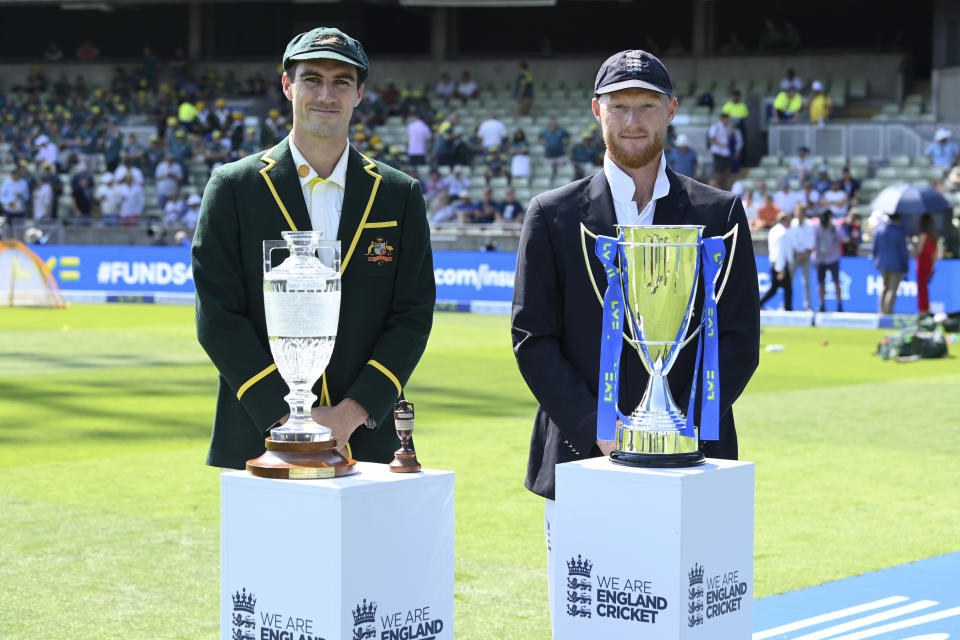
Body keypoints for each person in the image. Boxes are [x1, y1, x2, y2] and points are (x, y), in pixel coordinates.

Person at [511, 49, 759, 624]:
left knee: (689, 622)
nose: (632, 121)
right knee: (594, 620)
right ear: (597, 111)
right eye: (619, 107)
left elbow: (740, 335)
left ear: (670, 110)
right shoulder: (552, 214)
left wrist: (685, 430)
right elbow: (533, 338)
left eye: (646, 106)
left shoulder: (719, 212)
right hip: (583, 456)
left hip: (693, 456)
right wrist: (601, 430)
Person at [192, 26, 436, 470]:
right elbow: (216, 316)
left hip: (364, 438)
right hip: (259, 433)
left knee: (368, 543)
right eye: (311, 79)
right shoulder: (233, 187)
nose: (326, 93)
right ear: (287, 86)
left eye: (341, 81)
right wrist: (291, 419)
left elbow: (413, 316)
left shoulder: (399, 194)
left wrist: (348, 415)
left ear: (360, 93)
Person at [872, 213, 909, 314]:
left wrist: (876, 262)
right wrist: (906, 266)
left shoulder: (879, 230)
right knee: (892, 289)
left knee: (884, 288)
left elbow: (874, 249)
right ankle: (888, 312)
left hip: (882, 264)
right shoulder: (899, 232)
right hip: (896, 265)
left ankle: (881, 311)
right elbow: (903, 251)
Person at [759, 212, 794, 310]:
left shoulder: (773, 230)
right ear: (785, 221)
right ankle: (788, 308)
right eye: (788, 220)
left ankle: (759, 303)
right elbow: (780, 251)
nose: (790, 223)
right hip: (780, 264)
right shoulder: (782, 232)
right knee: (787, 289)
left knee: (775, 288)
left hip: (774, 262)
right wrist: (781, 269)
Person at [813, 211, 847, 312]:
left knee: (837, 281)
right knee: (821, 283)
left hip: (833, 258)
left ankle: (840, 304)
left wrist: (835, 230)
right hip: (820, 259)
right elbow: (813, 243)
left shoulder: (835, 225)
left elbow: (844, 238)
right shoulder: (816, 227)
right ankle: (822, 304)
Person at [790, 203, 816, 310]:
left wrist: (804, 254)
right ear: (795, 212)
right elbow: (791, 241)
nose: (800, 214)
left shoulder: (809, 224)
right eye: (798, 212)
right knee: (789, 281)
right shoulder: (792, 224)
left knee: (806, 282)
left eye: (802, 212)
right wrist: (797, 253)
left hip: (806, 256)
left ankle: (807, 305)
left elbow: (811, 242)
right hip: (795, 255)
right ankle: (787, 304)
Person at [915, 213, 940, 315]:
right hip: (929, 264)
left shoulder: (923, 235)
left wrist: (913, 245)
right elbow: (935, 254)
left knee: (921, 288)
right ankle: (925, 308)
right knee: (925, 288)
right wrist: (932, 266)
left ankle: (923, 310)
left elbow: (919, 251)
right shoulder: (934, 236)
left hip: (922, 263)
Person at [708, 112, 733, 189]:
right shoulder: (715, 127)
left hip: (725, 152)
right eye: (727, 119)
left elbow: (727, 139)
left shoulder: (728, 127)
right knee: (718, 171)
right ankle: (717, 187)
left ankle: (723, 186)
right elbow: (711, 139)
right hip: (718, 151)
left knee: (726, 171)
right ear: (723, 119)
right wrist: (721, 145)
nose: (728, 121)